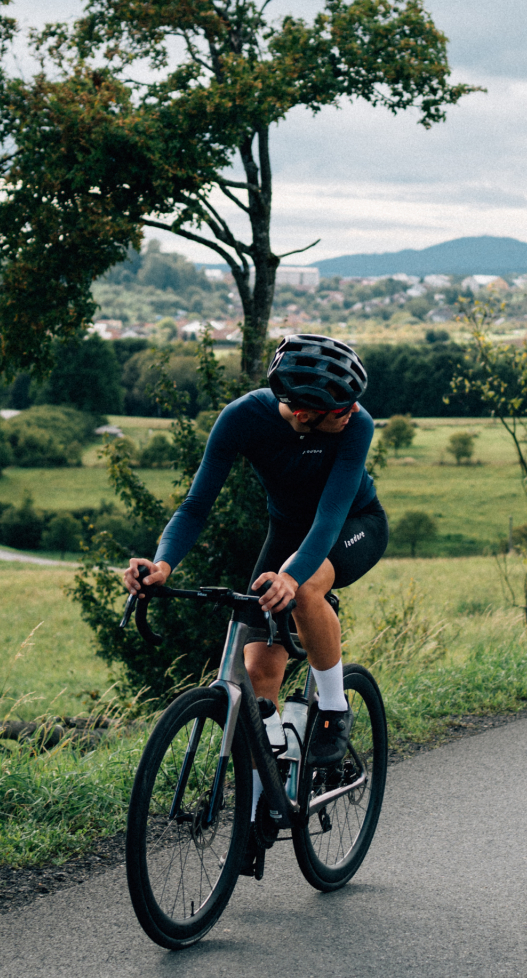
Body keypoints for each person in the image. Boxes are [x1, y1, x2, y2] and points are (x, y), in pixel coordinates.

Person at [123, 333, 387, 778]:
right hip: (286, 532)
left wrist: (292, 576)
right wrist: (163, 564)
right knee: (258, 673)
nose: (354, 411)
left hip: (353, 525)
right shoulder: (244, 417)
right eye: (342, 407)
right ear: (304, 412)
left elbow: (329, 517)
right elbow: (195, 506)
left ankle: (333, 709)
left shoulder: (357, 425)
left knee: (303, 588)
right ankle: (270, 784)